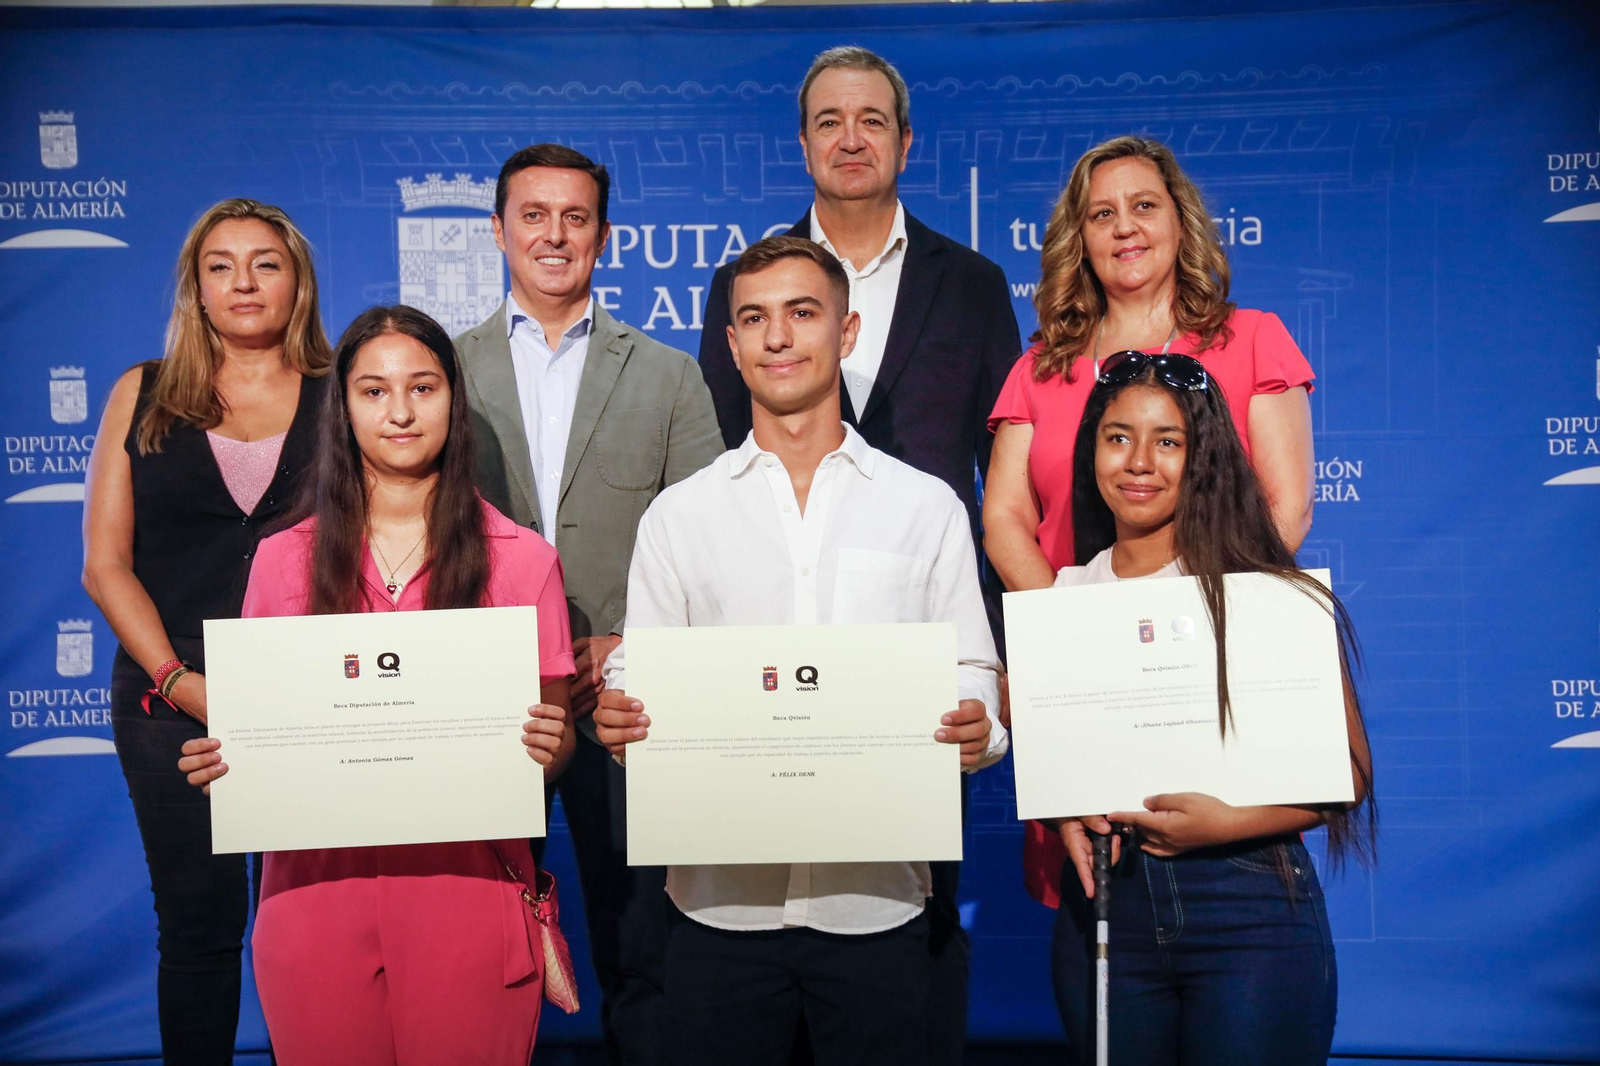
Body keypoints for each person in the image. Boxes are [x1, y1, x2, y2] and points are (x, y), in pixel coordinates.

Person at [596, 236, 1007, 1066]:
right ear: (733, 346)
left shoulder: (924, 508)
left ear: (846, 332)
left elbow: (974, 674)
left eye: (801, 313)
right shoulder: (680, 516)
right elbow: (642, 669)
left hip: (878, 905)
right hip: (719, 911)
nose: (778, 336)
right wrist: (624, 713)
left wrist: (981, 729)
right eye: (754, 319)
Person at [696, 48, 1021, 1060]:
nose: (849, 137)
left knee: (907, 933)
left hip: (910, 650)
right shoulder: (747, 283)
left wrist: (1001, 666)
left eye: (870, 120)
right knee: (751, 934)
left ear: (904, 141)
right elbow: (721, 444)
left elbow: (1002, 473)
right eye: (829, 120)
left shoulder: (969, 284)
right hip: (760, 660)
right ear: (802, 143)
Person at [176, 305, 575, 1065]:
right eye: (373, 390)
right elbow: (258, 735)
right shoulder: (282, 562)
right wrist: (225, 761)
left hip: (467, 889)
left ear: (453, 402)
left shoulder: (522, 560)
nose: (399, 411)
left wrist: (548, 745)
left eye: (422, 387)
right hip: (312, 894)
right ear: (343, 408)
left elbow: (548, 751)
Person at [983, 134, 1318, 908]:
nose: (1125, 227)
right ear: (1080, 237)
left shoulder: (1251, 339)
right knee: (1102, 898)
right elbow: (1003, 516)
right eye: (1103, 213)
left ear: (1180, 222)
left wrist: (1177, 623)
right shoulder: (1041, 367)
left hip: (1210, 663)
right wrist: (1080, 629)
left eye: (1144, 207)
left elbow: (1286, 505)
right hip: (1080, 676)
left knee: (1218, 874)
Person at [451, 142, 723, 1065]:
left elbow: (706, 538)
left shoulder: (668, 373)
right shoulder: (440, 372)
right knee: (476, 942)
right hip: (486, 703)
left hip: (620, 700)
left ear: (604, 237)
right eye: (533, 215)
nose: (554, 234)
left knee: (640, 941)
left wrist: (634, 642)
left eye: (575, 217)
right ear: (498, 229)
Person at [1042, 349, 1374, 1063]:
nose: (1138, 462)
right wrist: (1063, 807)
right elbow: (1064, 767)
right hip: (1107, 910)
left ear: (1203, 459)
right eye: (1118, 436)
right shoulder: (1063, 601)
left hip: (1247, 907)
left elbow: (1349, 771)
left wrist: (1228, 822)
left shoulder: (1261, 587)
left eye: (1168, 441)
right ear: (1091, 446)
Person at [82, 198, 331, 1065]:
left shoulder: (346, 395)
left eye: (265, 262)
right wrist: (182, 681)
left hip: (314, 703)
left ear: (296, 280)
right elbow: (105, 564)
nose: (244, 282)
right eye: (220, 265)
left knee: (318, 928)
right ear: (195, 285)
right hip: (166, 703)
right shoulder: (142, 392)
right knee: (198, 929)